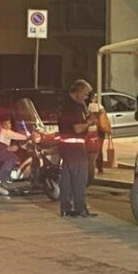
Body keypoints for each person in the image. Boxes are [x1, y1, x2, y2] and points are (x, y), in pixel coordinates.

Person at [58, 79, 98, 218]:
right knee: (80, 178)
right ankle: (80, 209)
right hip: (75, 146)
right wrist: (89, 123)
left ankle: (66, 209)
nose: (86, 97)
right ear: (79, 91)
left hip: (66, 146)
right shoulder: (72, 107)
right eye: (85, 94)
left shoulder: (69, 104)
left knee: (67, 179)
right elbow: (77, 128)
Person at [0, 115, 29, 195]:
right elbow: (17, 136)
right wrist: (29, 136)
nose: (9, 125)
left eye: (10, 124)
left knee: (12, 157)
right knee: (12, 158)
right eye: (7, 123)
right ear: (2, 124)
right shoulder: (5, 131)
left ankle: (6, 179)